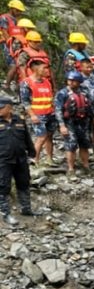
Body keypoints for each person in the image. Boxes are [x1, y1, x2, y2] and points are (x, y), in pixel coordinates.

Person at [0, 94, 36, 225]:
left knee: (24, 183)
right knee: (3, 187)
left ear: (9, 108)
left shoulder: (19, 120)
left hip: (20, 159)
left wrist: (32, 152)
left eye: (1, 108)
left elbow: (27, 138)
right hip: (3, 161)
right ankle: (6, 213)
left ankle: (26, 209)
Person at [54, 71, 92, 178]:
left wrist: (93, 121)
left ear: (79, 82)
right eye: (69, 80)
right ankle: (71, 169)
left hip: (83, 122)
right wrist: (62, 125)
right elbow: (58, 110)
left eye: (73, 81)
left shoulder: (84, 92)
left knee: (84, 144)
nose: (70, 82)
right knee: (71, 145)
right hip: (69, 123)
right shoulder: (62, 93)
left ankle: (85, 165)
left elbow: (89, 107)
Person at [20, 57, 56, 167]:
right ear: (35, 69)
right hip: (38, 114)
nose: (47, 71)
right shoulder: (26, 83)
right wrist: (32, 115)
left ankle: (50, 159)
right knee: (41, 137)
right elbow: (25, 101)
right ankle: (35, 160)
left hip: (50, 113)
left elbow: (50, 97)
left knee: (50, 136)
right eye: (44, 68)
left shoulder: (47, 82)